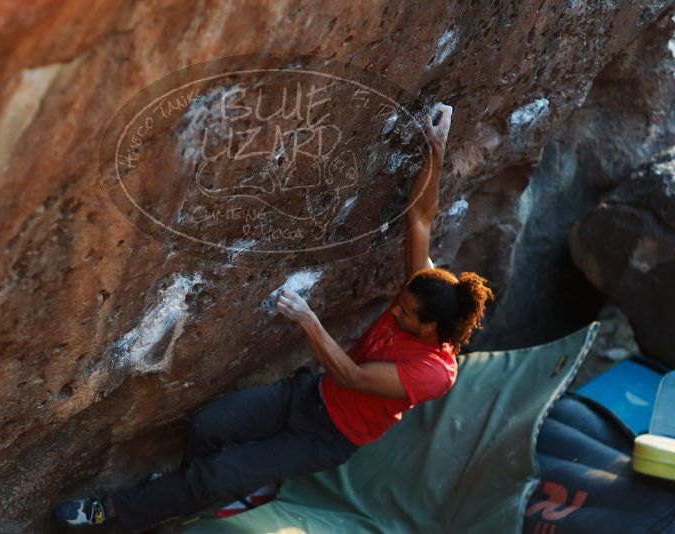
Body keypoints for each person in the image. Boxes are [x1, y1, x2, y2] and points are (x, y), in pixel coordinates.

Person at [52, 103, 494, 529]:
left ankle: (113, 511)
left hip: (326, 435)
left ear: (431, 328)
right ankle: (184, 492)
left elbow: (354, 379)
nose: (396, 307)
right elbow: (420, 217)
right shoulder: (429, 290)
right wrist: (436, 148)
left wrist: (308, 320)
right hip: (308, 392)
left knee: (219, 474)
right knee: (210, 425)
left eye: (406, 313)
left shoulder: (435, 372)